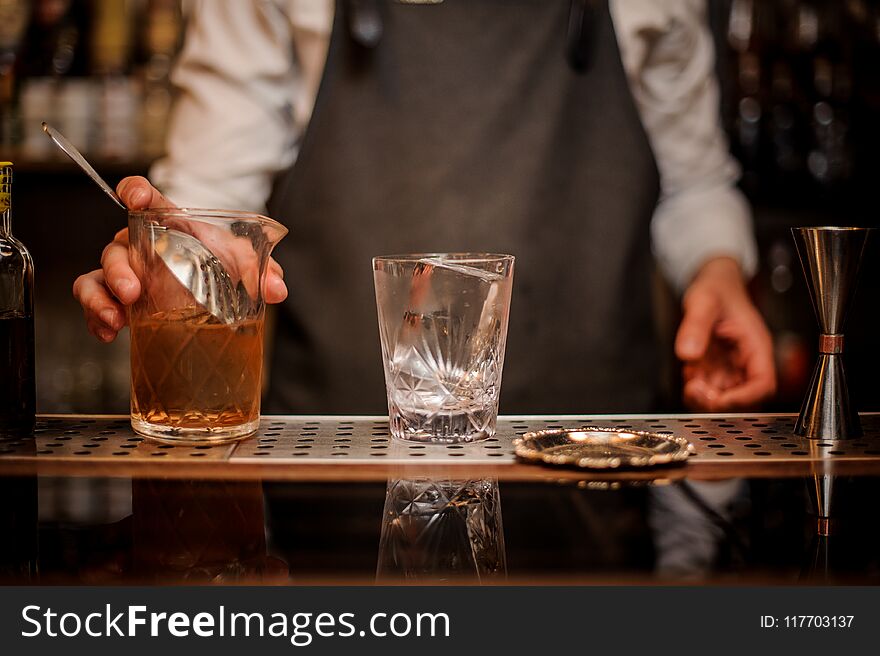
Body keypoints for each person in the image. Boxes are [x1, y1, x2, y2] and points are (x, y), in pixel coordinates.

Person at [73, 0, 776, 414]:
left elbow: (694, 182)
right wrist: (165, 256)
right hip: (331, 473)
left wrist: (716, 272)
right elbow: (209, 198)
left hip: (596, 461)